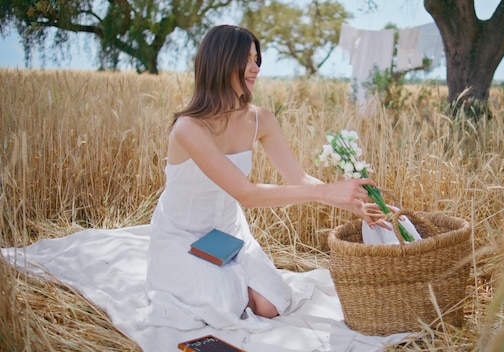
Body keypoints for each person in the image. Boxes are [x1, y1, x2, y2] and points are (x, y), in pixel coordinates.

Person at [144, 24, 384, 330]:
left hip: (226, 235)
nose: (256, 68)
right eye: (247, 59)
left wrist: (348, 201)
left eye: (258, 60)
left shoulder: (261, 118)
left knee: (270, 305)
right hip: (181, 235)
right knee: (223, 303)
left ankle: (230, 277)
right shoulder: (189, 128)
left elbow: (299, 178)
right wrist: (328, 192)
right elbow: (247, 194)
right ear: (220, 61)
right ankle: (201, 279)